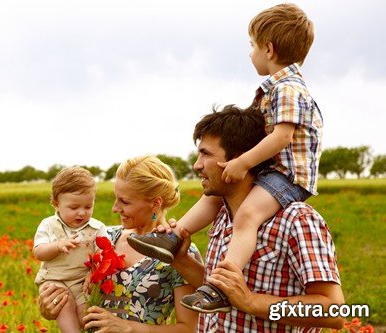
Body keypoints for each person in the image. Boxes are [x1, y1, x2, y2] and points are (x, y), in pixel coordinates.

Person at [128, 3, 324, 313]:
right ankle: (175, 238)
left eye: (252, 46)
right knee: (216, 197)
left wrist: (243, 162)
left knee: (247, 216)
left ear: (269, 49)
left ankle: (222, 285)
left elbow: (283, 137)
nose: (250, 53)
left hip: (287, 176)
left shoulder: (288, 89)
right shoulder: (272, 89)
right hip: (269, 171)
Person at [169, 105, 344, 331]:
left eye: (206, 154)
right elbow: (225, 290)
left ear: (241, 159)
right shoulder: (222, 216)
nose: (197, 165)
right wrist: (181, 260)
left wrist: (251, 302)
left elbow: (334, 311)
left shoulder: (297, 220)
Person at [39, 156, 200, 332]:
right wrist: (51, 306)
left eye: (125, 201)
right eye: (116, 199)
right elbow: (64, 279)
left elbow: (189, 328)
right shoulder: (103, 237)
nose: (115, 208)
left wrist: (128, 327)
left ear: (155, 204)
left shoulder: (178, 252)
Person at [33, 166, 107, 333]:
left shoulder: (97, 228)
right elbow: (39, 252)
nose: (81, 213)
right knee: (64, 304)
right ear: (56, 204)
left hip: (82, 281)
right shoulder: (49, 225)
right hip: (55, 279)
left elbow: (102, 253)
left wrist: (95, 270)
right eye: (74, 208)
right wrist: (57, 246)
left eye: (88, 207)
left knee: (85, 316)